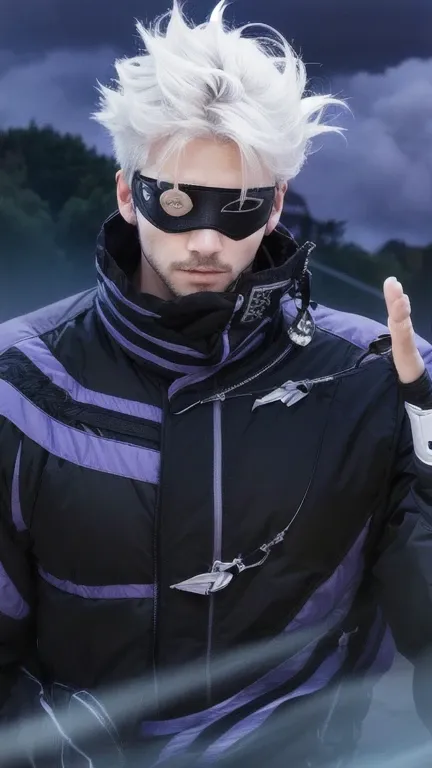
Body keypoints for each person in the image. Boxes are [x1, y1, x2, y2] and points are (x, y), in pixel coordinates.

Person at [0, 2, 432, 766]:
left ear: (275, 206)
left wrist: (426, 454)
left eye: (238, 209)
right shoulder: (24, 383)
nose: (205, 239)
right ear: (128, 194)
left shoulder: (375, 377)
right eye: (175, 201)